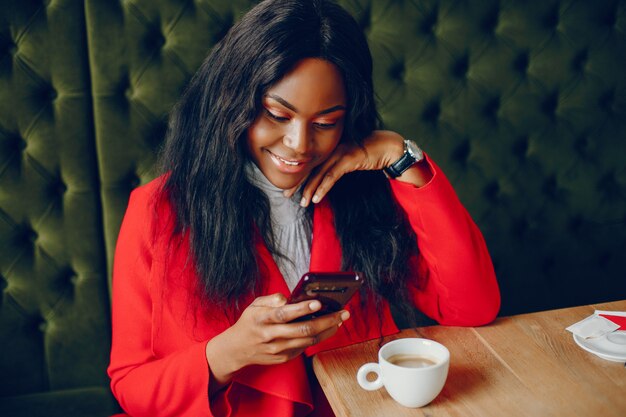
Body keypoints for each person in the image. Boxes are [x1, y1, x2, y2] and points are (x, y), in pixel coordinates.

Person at [107, 0, 500, 416]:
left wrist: (401, 157)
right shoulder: (159, 211)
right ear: (233, 101)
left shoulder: (367, 191)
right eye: (277, 114)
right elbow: (131, 385)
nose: (298, 144)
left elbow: (473, 306)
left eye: (326, 123)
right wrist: (225, 354)